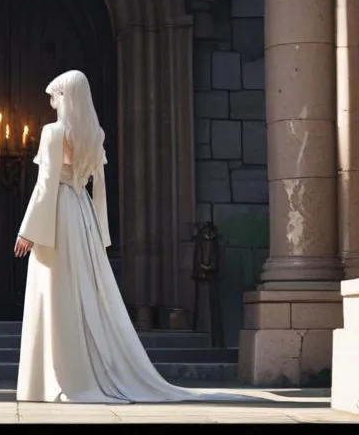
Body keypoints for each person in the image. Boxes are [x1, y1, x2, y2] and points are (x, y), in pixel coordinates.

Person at [13, 70, 254, 404]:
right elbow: (98, 192)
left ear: (64, 97)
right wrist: (99, 233)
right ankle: (79, 371)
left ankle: (59, 376)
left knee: (57, 290)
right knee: (79, 289)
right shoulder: (93, 135)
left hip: (57, 214)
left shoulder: (53, 133)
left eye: (54, 95)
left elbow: (46, 183)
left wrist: (28, 230)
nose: (51, 101)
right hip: (80, 216)